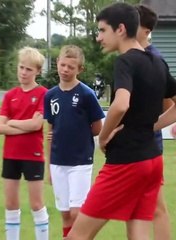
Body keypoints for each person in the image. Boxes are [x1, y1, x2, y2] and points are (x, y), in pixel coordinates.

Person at [64, 3, 176, 240]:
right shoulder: (157, 62)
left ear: (121, 29)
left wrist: (103, 136)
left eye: (103, 30)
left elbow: (121, 103)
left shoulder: (126, 61)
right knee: (138, 234)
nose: (98, 37)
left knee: (77, 236)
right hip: (152, 161)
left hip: (126, 162)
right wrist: (150, 127)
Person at [44, 45, 104, 239]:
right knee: (65, 214)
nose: (65, 70)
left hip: (80, 161)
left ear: (80, 69)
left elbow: (98, 127)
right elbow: (50, 129)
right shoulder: (50, 95)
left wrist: (79, 133)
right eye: (63, 65)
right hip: (58, 161)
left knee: (77, 212)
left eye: (71, 67)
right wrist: (48, 166)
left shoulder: (86, 94)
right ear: (57, 64)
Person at [0, 47, 49, 240]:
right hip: (10, 155)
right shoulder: (10, 95)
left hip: (33, 155)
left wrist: (12, 122)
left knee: (36, 204)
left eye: (28, 69)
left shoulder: (44, 93)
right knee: (10, 204)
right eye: (21, 67)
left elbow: (36, 124)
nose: (23, 72)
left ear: (37, 71)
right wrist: (22, 126)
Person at [135, 4, 174, 240]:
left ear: (145, 29)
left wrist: (149, 127)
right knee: (141, 208)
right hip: (134, 147)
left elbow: (169, 102)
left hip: (147, 147)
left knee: (156, 208)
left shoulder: (153, 59)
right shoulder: (135, 57)